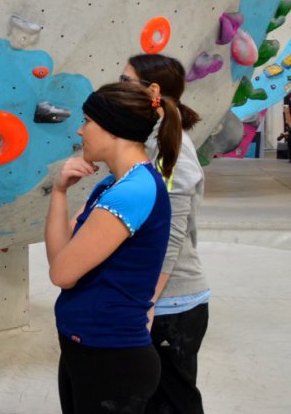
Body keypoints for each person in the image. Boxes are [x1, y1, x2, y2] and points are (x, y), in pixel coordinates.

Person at [46, 81, 181, 414]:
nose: (80, 131)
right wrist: (60, 193)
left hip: (110, 359)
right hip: (88, 350)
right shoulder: (112, 185)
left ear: (112, 128)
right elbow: (61, 261)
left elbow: (62, 274)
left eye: (87, 121)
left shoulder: (131, 192)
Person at [124, 55, 209, 414]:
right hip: (162, 300)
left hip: (170, 303)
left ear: (153, 91)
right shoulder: (159, 139)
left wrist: (146, 303)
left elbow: (170, 239)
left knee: (174, 402)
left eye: (125, 81)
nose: (119, 88)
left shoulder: (171, 149)